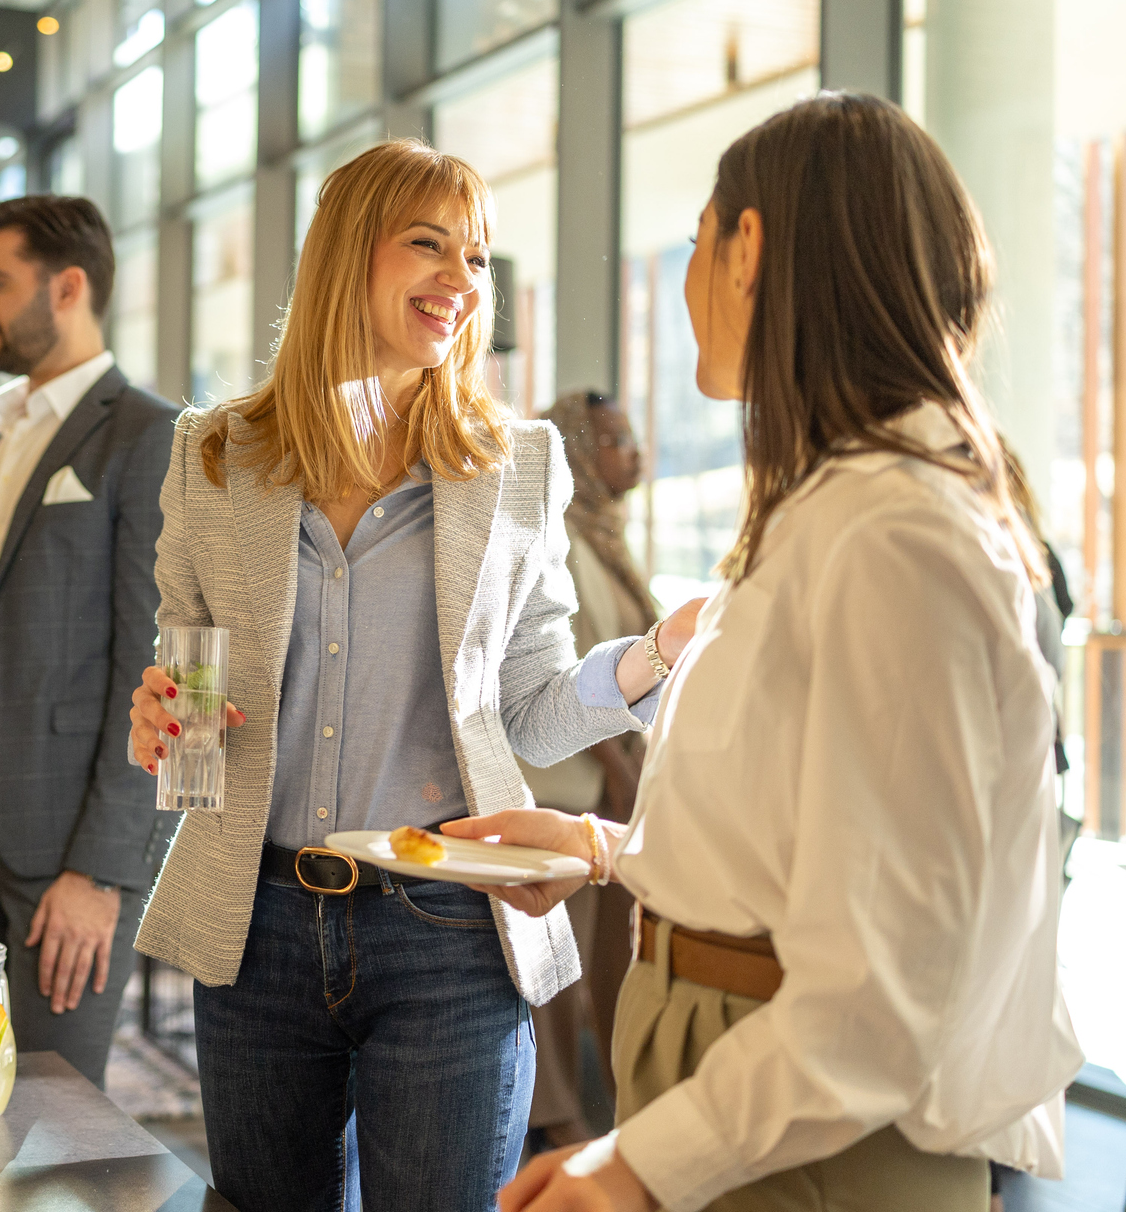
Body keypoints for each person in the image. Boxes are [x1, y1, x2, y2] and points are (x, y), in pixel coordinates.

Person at [457, 93, 1082, 1212]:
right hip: (759, 1091)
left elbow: (885, 986)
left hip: (802, 1130)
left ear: (747, 249)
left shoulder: (894, 532)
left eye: (696, 241)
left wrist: (639, 1165)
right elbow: (811, 844)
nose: (687, 279)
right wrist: (607, 849)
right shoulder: (834, 500)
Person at [125, 139, 698, 1212]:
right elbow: (185, 683)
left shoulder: (516, 463)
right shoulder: (215, 455)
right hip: (256, 924)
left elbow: (527, 711)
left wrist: (655, 655)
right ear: (349, 254)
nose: (461, 280)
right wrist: (161, 721)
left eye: (477, 258)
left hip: (450, 929)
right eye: (429, 244)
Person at [0, 194, 177, 1088]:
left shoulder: (146, 434)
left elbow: (160, 661)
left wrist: (100, 869)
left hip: (67, 833)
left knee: (57, 1110)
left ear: (65, 287)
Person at [524, 390, 658, 1151]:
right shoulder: (560, 537)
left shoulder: (605, 534)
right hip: (563, 784)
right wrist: (614, 762)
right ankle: (554, 1116)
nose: (632, 453)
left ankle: (594, 1105)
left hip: (608, 784)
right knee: (554, 965)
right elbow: (563, 666)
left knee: (600, 961)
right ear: (576, 447)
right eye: (614, 439)